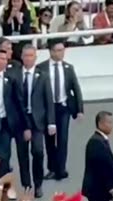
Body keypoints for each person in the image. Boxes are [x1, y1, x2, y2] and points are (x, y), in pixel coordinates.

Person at [38, 39, 84, 181]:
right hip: (48, 108)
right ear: (51, 51)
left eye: (62, 50)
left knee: (62, 139)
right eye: (57, 50)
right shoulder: (42, 68)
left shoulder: (68, 68)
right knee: (50, 139)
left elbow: (76, 89)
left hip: (63, 107)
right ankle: (52, 168)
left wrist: (80, 109)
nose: (60, 53)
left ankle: (61, 169)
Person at [0, 49, 29, 182]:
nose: (5, 62)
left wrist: (26, 126)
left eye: (6, 59)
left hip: (4, 122)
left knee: (3, 156)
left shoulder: (11, 79)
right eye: (2, 59)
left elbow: (20, 102)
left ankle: (1, 187)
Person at [14, 44, 55, 198]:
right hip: (20, 121)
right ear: (22, 57)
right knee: (22, 155)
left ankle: (38, 184)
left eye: (31, 56)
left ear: (35, 58)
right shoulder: (15, 75)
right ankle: (26, 185)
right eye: (26, 55)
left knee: (38, 152)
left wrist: (51, 122)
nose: (28, 58)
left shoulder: (42, 75)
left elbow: (48, 100)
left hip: (38, 121)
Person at [82, 111, 113, 201]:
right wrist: (111, 187)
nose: (111, 125)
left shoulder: (101, 141)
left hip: (101, 191)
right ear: (100, 123)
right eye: (109, 122)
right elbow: (102, 167)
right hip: (98, 190)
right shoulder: (95, 142)